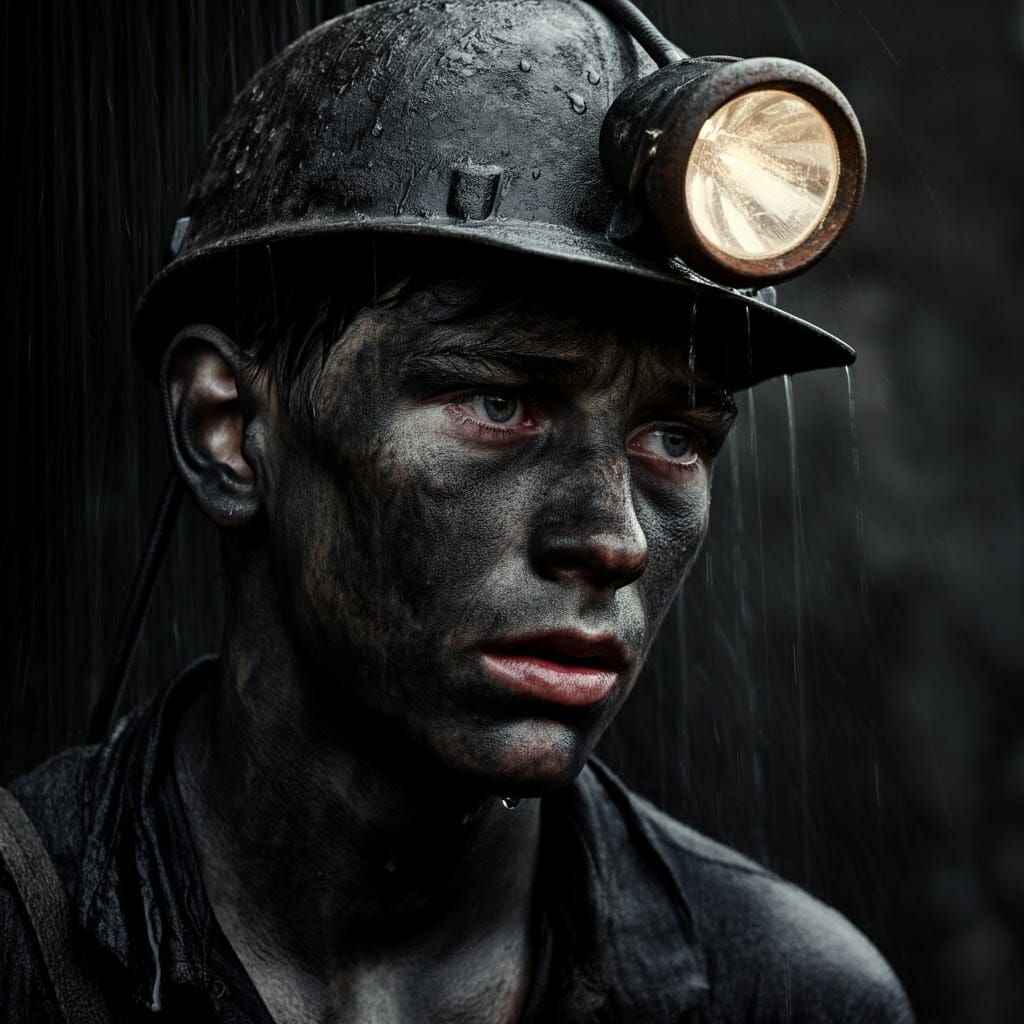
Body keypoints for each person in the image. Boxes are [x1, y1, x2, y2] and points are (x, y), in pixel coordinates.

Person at [0, 0, 914, 1020]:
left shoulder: (788, 997)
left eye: (674, 437)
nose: (611, 538)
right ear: (227, 427)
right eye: (498, 402)